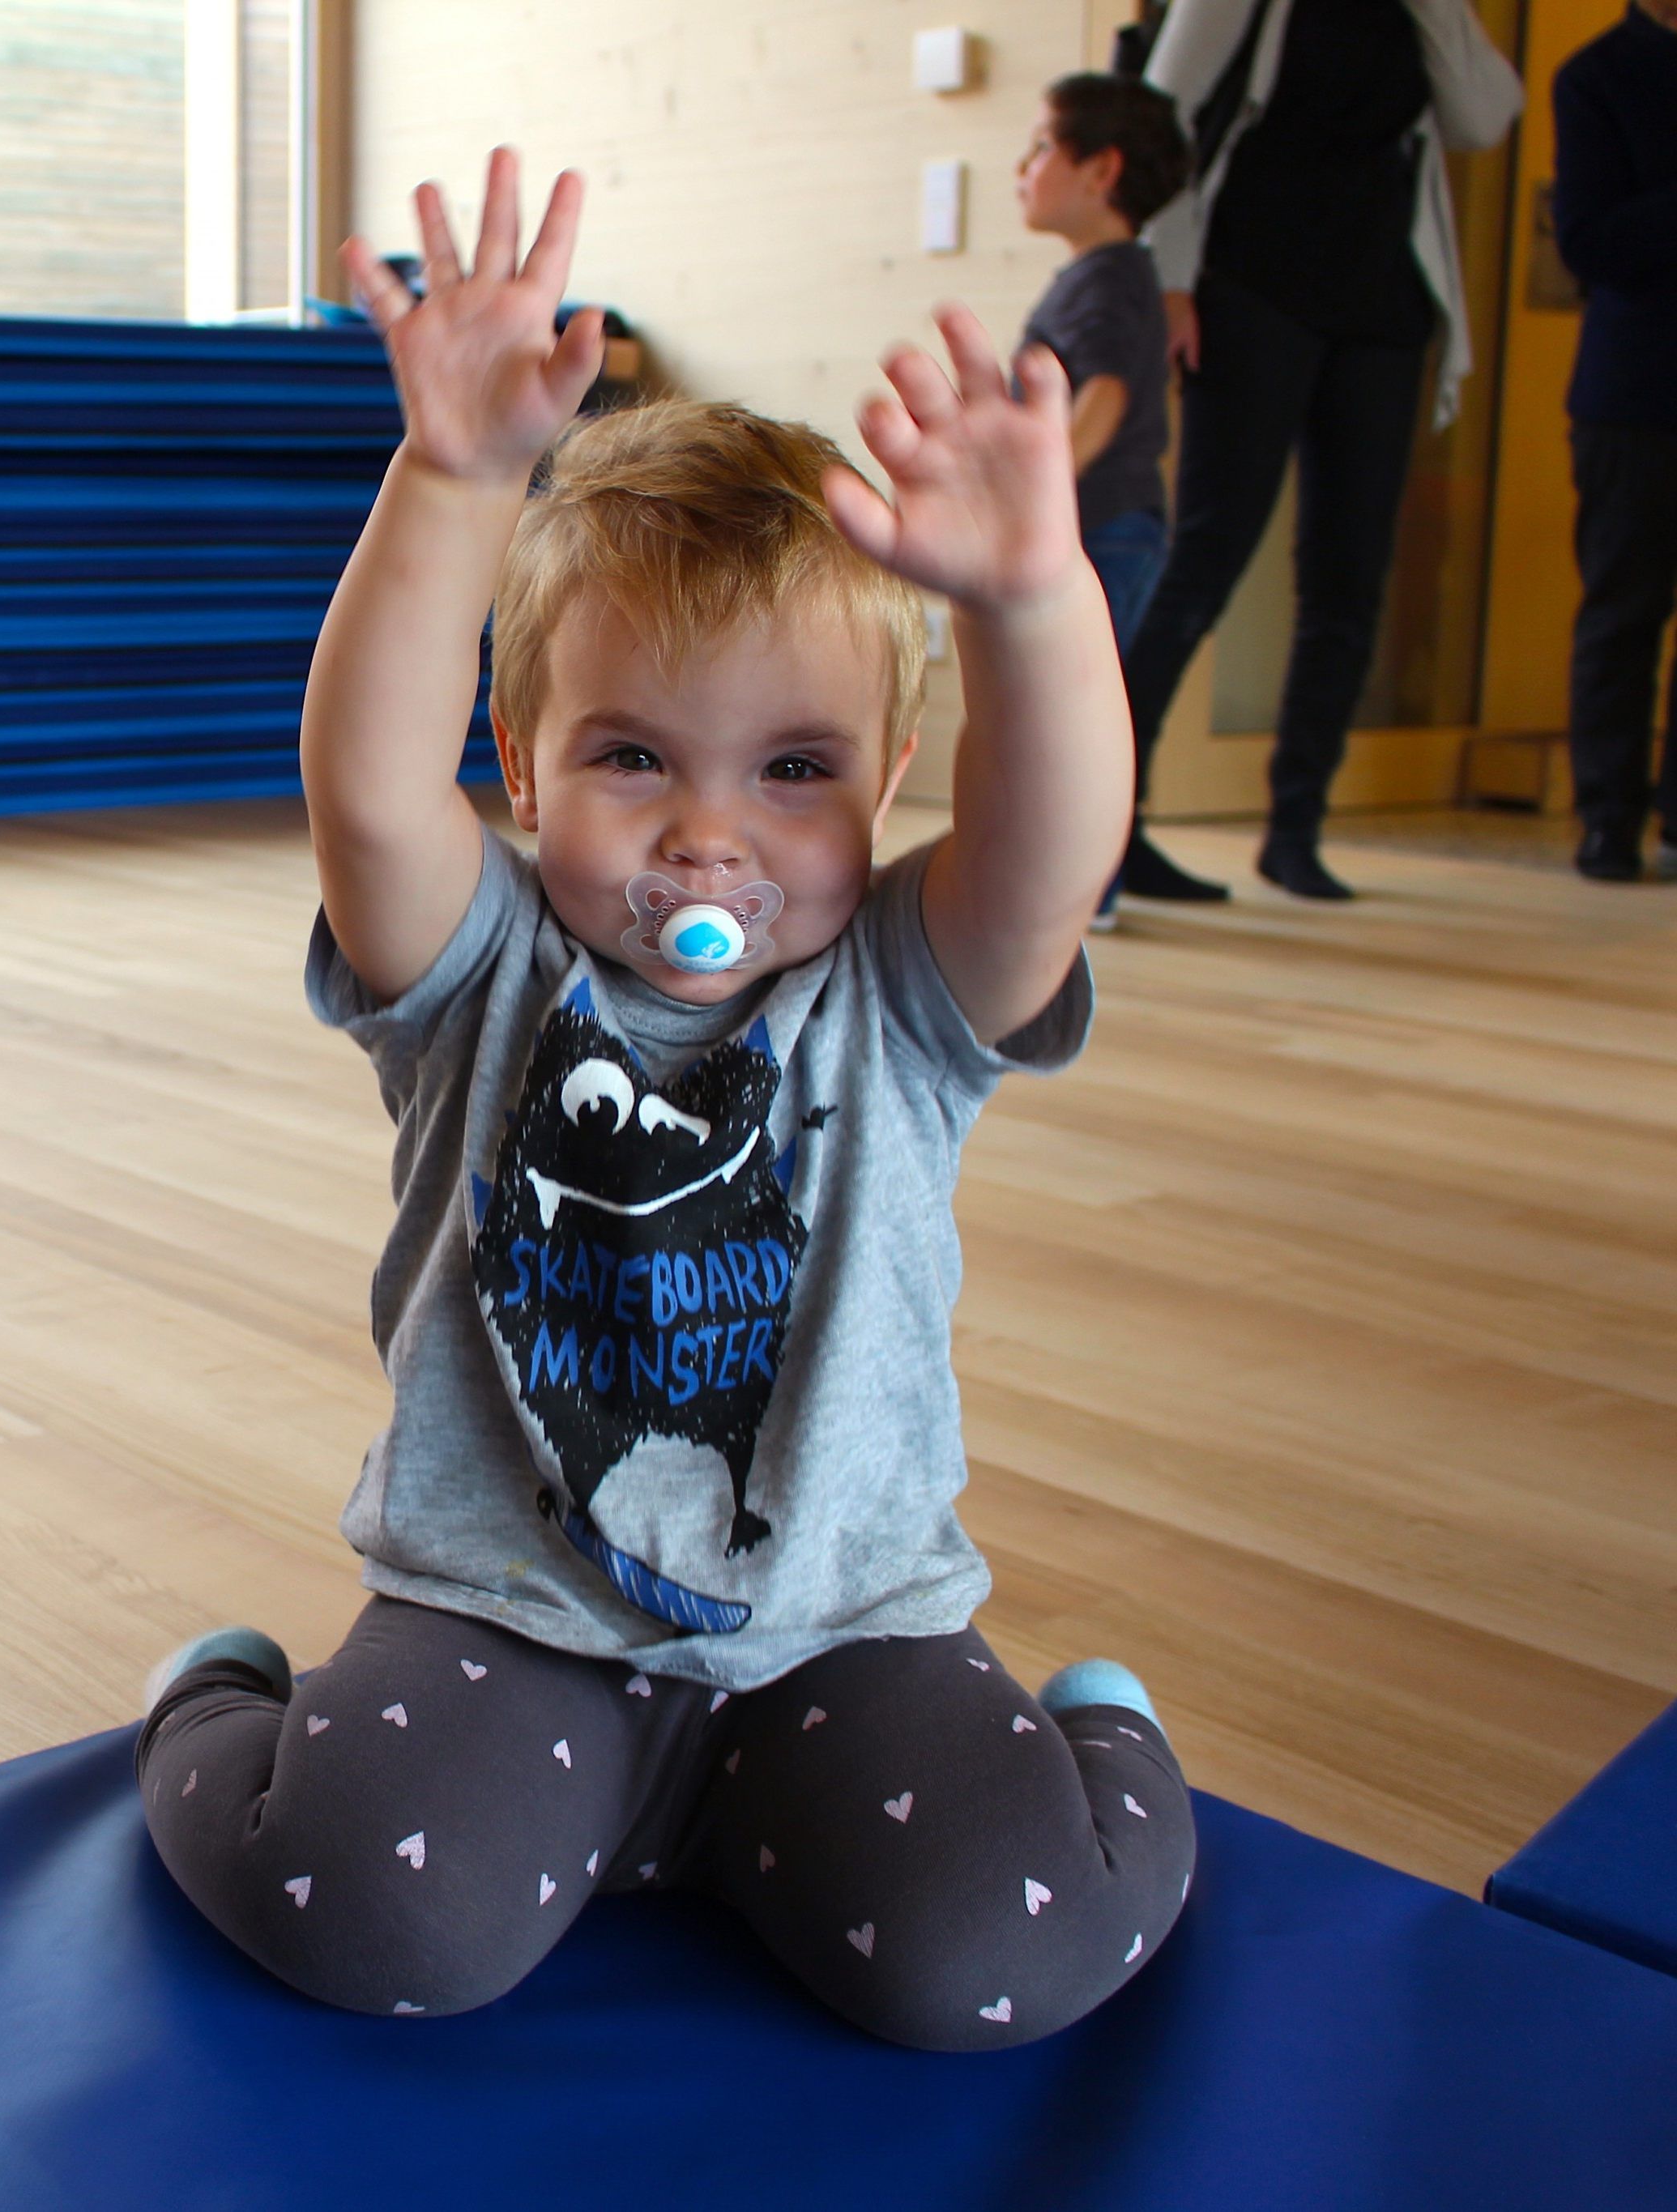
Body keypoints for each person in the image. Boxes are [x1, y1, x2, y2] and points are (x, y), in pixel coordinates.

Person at [135, 152, 1191, 2050]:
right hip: (507, 1635)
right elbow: (368, 790)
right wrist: (452, 476)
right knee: (370, 1914)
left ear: (888, 777)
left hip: (846, 1642)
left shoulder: (900, 994)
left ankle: (1097, 1721)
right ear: (525, 776)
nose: (713, 831)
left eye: (795, 767)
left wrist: (1035, 598)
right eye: (632, 756)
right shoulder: (479, 976)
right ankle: (216, 1699)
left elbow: (1050, 858)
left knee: (1002, 1960)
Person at [1118, 0, 1521, 904]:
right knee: (1206, 556)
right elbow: (1157, 119)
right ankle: (1111, 825)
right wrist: (1171, 281)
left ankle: (1295, 828)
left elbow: (1485, 116)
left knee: (1349, 576)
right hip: (1254, 284)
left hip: (1381, 302)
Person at [1016, 72, 1194, 929]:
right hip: (1105, 529)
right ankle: (1083, 887)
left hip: (1105, 530)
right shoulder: (1102, 276)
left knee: (1081, 713)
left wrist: (1031, 497)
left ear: (1100, 170)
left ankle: (1090, 892)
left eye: (1041, 146)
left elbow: (1105, 400)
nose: (1023, 166)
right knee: (1077, 708)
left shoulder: (1111, 280)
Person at [1553, 0, 1677, 883]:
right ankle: (1607, 819)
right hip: (1633, 390)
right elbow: (1588, 243)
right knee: (1622, 608)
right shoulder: (1596, 75)